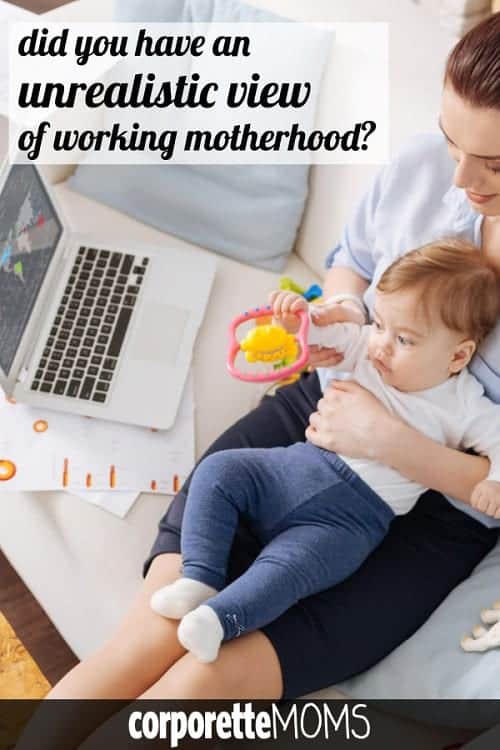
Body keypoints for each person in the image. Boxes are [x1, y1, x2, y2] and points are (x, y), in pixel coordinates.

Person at [47, 12, 500, 709]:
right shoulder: (421, 168)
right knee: (149, 635)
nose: (459, 177)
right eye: (450, 141)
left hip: (439, 512)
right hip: (316, 414)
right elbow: (352, 265)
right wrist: (336, 318)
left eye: (492, 163)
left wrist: (394, 445)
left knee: (204, 681)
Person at [149, 240, 500, 664]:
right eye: (381, 324)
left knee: (289, 570)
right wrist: (299, 315)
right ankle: (199, 577)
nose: (382, 345)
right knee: (219, 471)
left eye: (404, 339)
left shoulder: (465, 403)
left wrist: (494, 480)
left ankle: (221, 619)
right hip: (297, 467)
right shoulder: (369, 349)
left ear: (458, 355)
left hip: (352, 520)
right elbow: (320, 332)